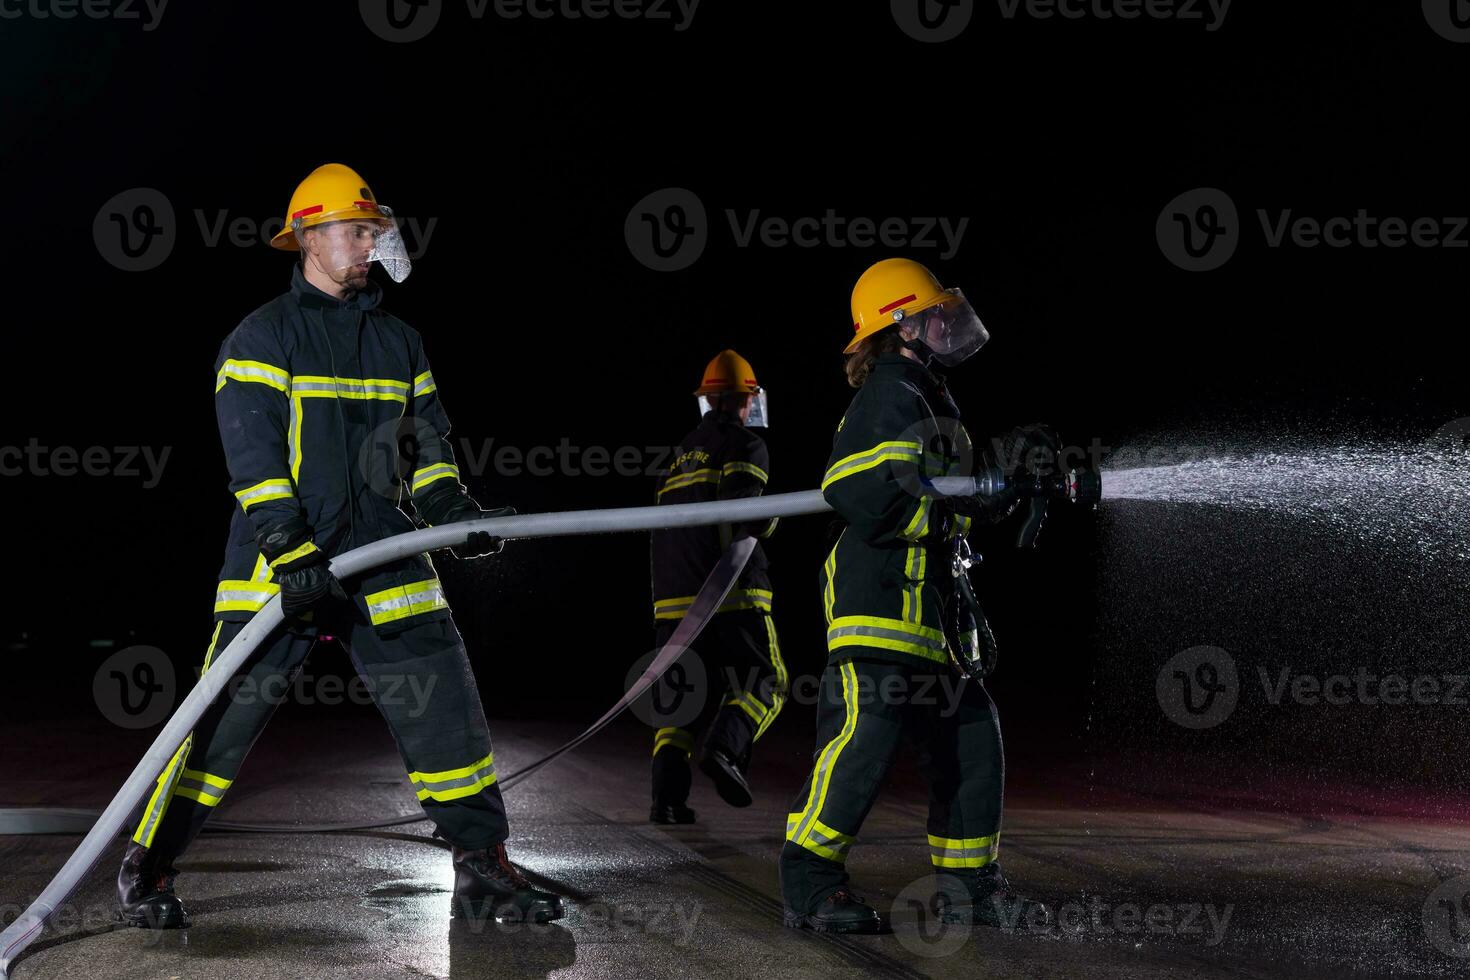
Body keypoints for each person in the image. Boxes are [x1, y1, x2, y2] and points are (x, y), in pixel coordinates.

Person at [116, 163, 563, 929]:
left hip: (385, 557)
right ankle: (147, 864)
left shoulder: (400, 343)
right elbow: (253, 460)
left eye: (373, 232)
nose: (369, 246)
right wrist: (292, 553)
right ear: (309, 240)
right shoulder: (262, 336)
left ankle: (482, 866)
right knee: (219, 721)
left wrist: (454, 511)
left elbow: (427, 450)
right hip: (279, 569)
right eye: (356, 232)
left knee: (447, 710)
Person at [779, 258, 1050, 934]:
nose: (946, 323)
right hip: (877, 608)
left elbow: (944, 502)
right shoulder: (888, 393)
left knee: (970, 741)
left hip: (931, 619)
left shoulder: (931, 399)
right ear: (898, 325)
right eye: (932, 312)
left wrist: (1004, 482)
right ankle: (810, 882)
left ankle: (970, 890)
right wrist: (977, 491)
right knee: (865, 738)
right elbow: (860, 488)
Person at [647, 351, 788, 824]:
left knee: (683, 702)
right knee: (765, 681)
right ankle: (725, 751)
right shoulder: (745, 445)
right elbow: (744, 509)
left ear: (708, 399)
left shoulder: (678, 454)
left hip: (673, 605)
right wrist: (775, 517)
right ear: (747, 399)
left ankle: (666, 801)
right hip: (728, 593)